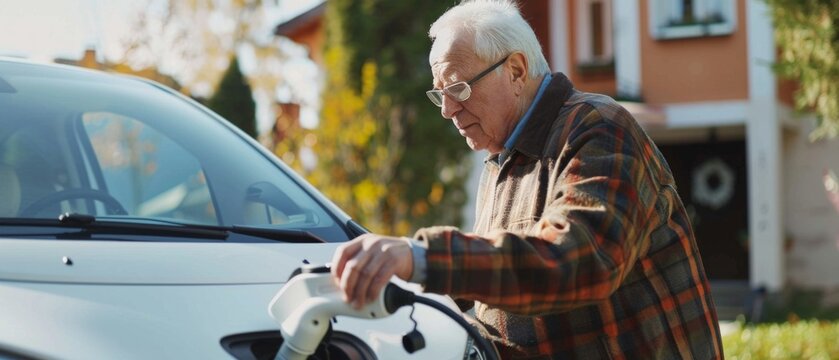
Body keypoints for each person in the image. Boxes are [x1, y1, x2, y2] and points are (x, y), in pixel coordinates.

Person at [330, 0, 723, 358]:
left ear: (515, 70)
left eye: (458, 88)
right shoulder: (500, 161)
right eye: (440, 94)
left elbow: (580, 260)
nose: (447, 110)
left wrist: (421, 257)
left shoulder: (595, 127)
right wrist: (403, 292)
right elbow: (494, 289)